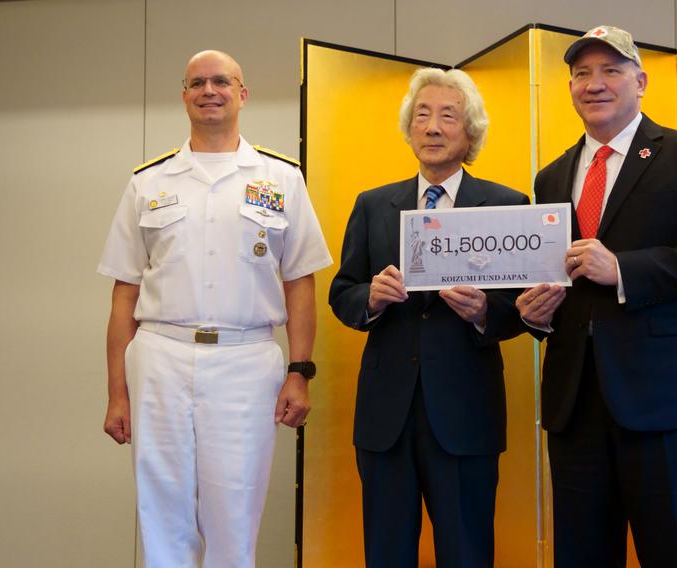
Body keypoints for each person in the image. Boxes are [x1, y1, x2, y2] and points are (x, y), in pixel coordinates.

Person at [516, 26, 677, 567]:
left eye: (611, 70)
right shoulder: (550, 177)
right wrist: (534, 316)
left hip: (665, 400)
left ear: (640, 82)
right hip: (574, 402)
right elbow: (554, 277)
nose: (594, 84)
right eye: (581, 73)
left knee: (671, 551)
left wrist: (622, 268)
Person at [98, 50, 332, 567]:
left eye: (222, 81)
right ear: (184, 95)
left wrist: (299, 372)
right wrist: (118, 392)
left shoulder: (281, 178)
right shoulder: (149, 182)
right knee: (162, 506)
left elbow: (300, 283)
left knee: (235, 504)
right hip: (160, 355)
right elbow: (124, 295)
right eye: (198, 82)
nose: (210, 90)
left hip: (246, 359)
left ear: (242, 94)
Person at [329, 68, 529, 567]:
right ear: (409, 129)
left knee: (466, 552)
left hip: (465, 413)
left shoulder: (507, 205)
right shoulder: (374, 205)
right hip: (386, 416)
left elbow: (527, 309)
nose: (433, 127)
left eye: (448, 116)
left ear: (471, 133)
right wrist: (370, 299)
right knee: (387, 553)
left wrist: (486, 312)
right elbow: (341, 293)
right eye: (422, 115)